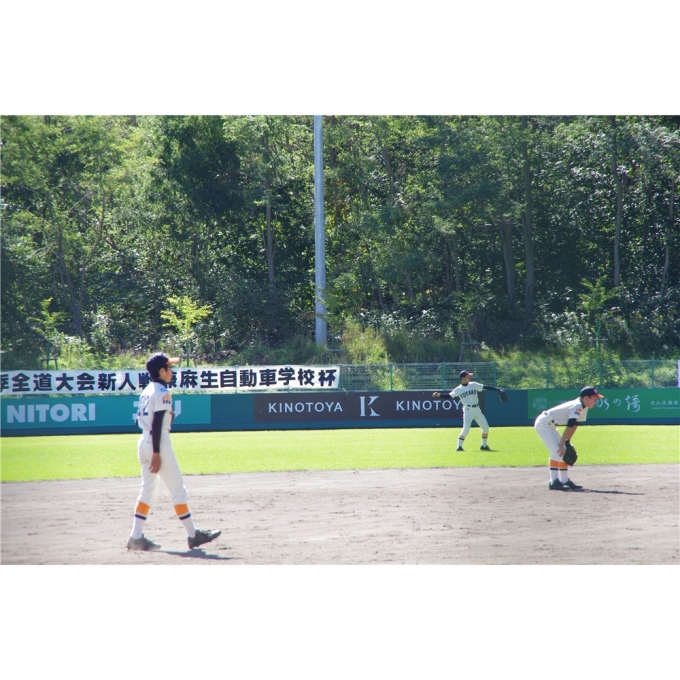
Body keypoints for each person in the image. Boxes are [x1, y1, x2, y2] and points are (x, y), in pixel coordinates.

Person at [127, 352, 221, 551]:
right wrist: (156, 453)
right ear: (161, 371)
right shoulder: (162, 392)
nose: (172, 371)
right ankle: (193, 535)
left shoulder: (147, 391)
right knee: (178, 490)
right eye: (169, 367)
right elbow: (157, 423)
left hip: (143, 441)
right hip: (158, 442)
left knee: (148, 491)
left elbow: (139, 421)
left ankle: (136, 537)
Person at [534, 386, 603, 491]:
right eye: (594, 398)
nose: (595, 401)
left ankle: (564, 480)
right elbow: (569, 426)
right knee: (557, 450)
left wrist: (567, 442)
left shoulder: (584, 407)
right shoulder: (577, 406)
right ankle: (553, 482)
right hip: (543, 423)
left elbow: (574, 425)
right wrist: (561, 444)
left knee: (565, 449)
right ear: (586, 398)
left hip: (550, 425)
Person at [433, 370, 506, 451]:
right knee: (466, 429)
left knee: (485, 427)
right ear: (463, 378)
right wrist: (440, 395)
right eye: (467, 376)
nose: (469, 377)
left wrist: (497, 389)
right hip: (468, 410)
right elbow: (449, 396)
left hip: (477, 409)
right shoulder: (458, 389)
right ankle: (459, 447)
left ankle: (484, 446)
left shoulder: (473, 384)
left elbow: (484, 387)